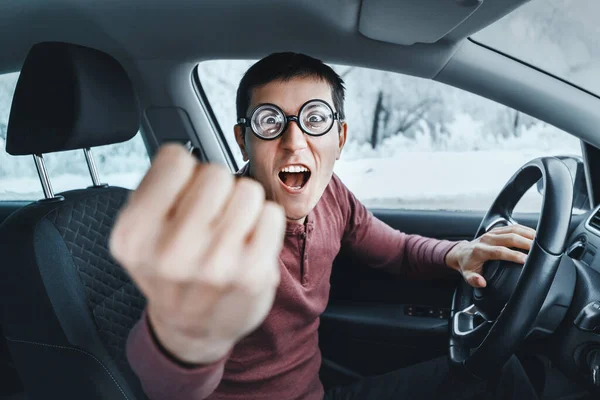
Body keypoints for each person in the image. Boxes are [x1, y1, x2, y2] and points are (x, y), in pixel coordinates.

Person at [110, 53, 539, 400]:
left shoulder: (331, 194)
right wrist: (185, 342)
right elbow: (167, 385)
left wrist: (457, 252)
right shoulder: (216, 227)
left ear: (341, 136)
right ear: (243, 140)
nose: (294, 141)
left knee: (497, 373)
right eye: (270, 122)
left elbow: (396, 250)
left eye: (314, 119)